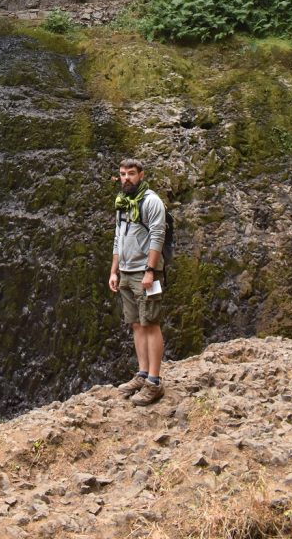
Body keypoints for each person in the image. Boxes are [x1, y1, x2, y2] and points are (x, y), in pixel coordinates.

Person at [108, 158, 166, 406]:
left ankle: (154, 381)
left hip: (146, 272)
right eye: (122, 174)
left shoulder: (151, 201)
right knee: (135, 324)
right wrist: (114, 271)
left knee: (151, 323)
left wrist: (150, 270)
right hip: (126, 272)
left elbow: (158, 235)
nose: (126, 178)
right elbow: (117, 239)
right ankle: (142, 374)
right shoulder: (122, 203)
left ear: (141, 175)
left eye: (131, 174)